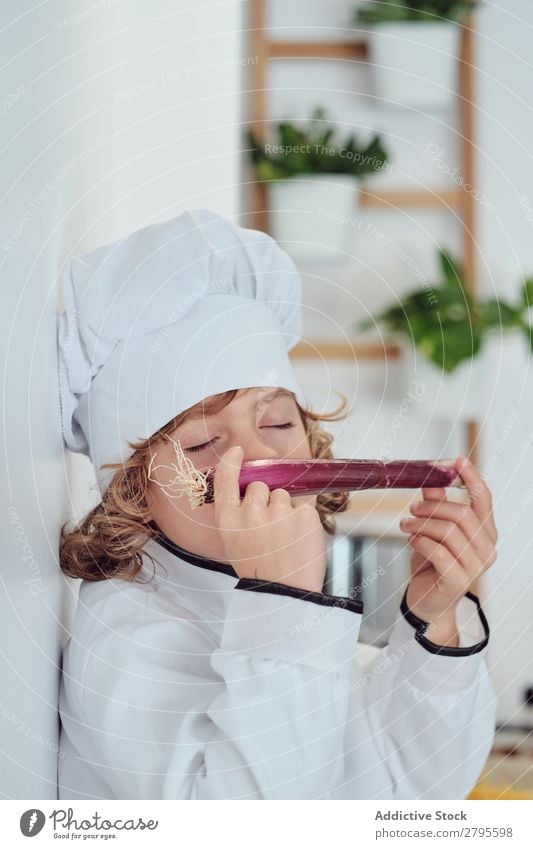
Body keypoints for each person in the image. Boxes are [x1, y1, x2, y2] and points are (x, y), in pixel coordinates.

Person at [56, 208, 497, 800]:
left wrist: (435, 621)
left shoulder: (284, 616)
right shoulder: (125, 641)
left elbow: (414, 789)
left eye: (280, 421)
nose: (257, 459)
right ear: (134, 493)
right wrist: (285, 603)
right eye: (203, 442)